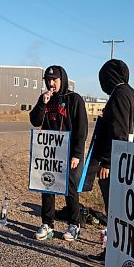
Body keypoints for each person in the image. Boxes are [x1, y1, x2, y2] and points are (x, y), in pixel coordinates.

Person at [86, 59, 134, 265]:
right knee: (124, 212)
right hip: (129, 161)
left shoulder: (118, 95)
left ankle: (113, 255)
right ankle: (123, 253)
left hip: (116, 163)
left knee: (114, 211)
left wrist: (107, 162)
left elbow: (118, 131)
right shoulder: (131, 93)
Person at [29, 65, 88, 241]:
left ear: (62, 80)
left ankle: (74, 224)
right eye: (48, 80)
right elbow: (35, 121)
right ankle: (47, 223)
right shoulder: (46, 99)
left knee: (69, 188)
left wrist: (77, 153)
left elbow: (81, 129)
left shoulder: (74, 99)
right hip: (49, 152)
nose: (51, 83)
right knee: (47, 186)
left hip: (68, 152)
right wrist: (42, 103)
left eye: (54, 79)